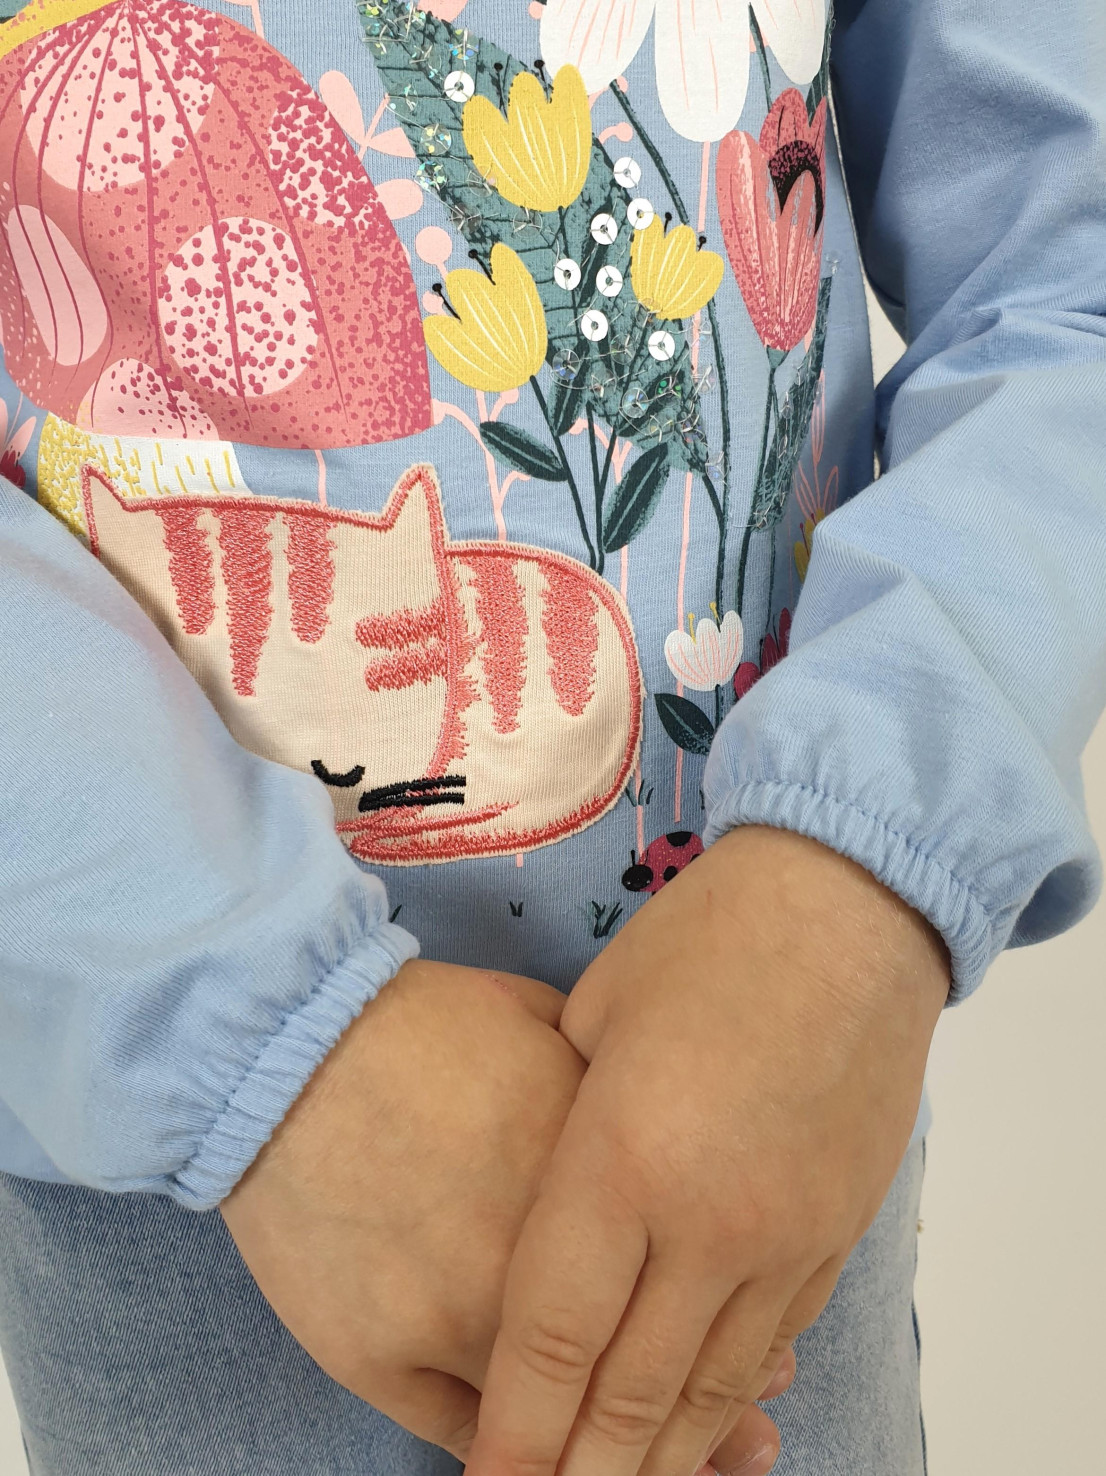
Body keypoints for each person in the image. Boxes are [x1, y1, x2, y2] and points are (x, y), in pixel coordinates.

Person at [0, 0, 1102, 1472]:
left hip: (768, 1102)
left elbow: (1065, 272)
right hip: (164, 1167)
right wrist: (240, 1034)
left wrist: (854, 889)